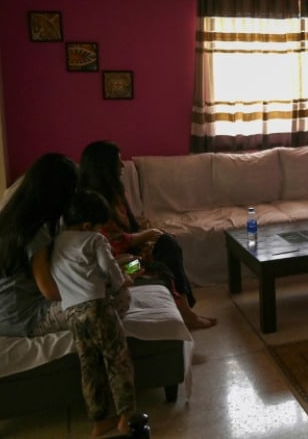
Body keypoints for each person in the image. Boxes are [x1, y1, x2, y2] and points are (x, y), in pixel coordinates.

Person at [78, 140, 216, 330]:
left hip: (133, 251)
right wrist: (150, 232)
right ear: (104, 167)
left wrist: (149, 229)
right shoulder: (94, 202)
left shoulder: (114, 191)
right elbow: (116, 243)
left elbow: (130, 226)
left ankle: (186, 312)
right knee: (162, 262)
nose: (122, 166)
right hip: (123, 266)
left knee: (167, 244)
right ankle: (187, 314)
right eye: (117, 162)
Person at [50, 189, 138, 437]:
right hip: (97, 308)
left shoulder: (55, 241)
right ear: (88, 224)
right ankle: (125, 417)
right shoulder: (95, 240)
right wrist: (123, 281)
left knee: (89, 366)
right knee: (117, 361)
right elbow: (109, 270)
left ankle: (100, 420)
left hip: (71, 313)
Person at [0, 153, 78, 337]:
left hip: (6, 314)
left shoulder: (10, 218)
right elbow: (49, 291)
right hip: (26, 318)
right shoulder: (36, 231)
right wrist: (84, 291)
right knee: (104, 304)